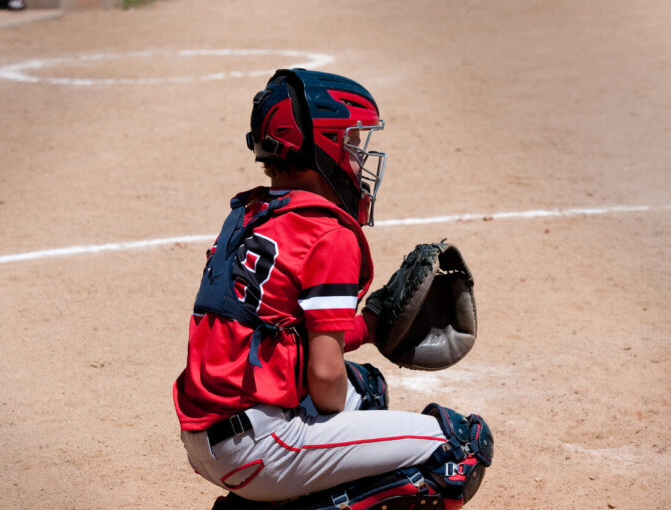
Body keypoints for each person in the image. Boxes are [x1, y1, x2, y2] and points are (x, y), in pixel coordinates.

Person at [173, 69, 492, 509]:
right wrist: (343, 433)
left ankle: (264, 499)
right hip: (259, 450)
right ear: (323, 146)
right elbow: (323, 376)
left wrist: (370, 327)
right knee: (459, 449)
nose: (359, 160)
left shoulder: (250, 214)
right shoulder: (328, 232)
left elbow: (277, 334)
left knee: (367, 389)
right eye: (353, 145)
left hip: (204, 437)